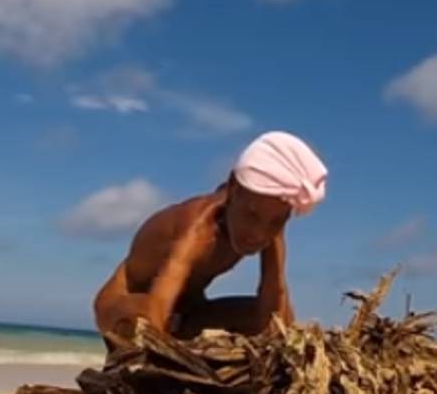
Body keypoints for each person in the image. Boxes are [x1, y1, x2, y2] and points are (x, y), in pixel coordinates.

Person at [93, 130, 327, 349]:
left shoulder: (269, 227)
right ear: (233, 188)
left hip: (188, 312)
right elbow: (159, 307)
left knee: (277, 319)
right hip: (125, 304)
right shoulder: (198, 229)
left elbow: (276, 303)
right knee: (147, 323)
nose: (259, 234)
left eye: (276, 222)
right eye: (251, 215)